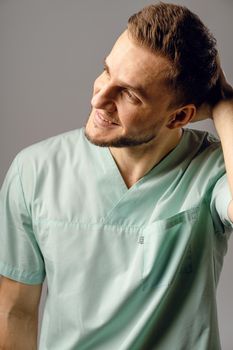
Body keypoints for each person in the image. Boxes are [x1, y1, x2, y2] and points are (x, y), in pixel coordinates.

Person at [0, 2, 233, 349]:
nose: (99, 98)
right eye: (106, 71)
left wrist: (225, 102)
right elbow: (15, 311)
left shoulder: (213, 168)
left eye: (129, 94)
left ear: (179, 116)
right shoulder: (34, 170)